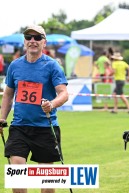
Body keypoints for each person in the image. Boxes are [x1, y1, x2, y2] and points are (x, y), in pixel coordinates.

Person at [0, 25, 68, 193]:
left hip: (45, 127)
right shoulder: (15, 66)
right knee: (16, 172)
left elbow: (64, 93)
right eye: (29, 37)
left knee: (46, 182)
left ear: (44, 42)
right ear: (24, 41)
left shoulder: (52, 66)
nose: (33, 41)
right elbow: (8, 95)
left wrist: (51, 104)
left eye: (37, 38)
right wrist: (2, 118)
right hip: (19, 127)